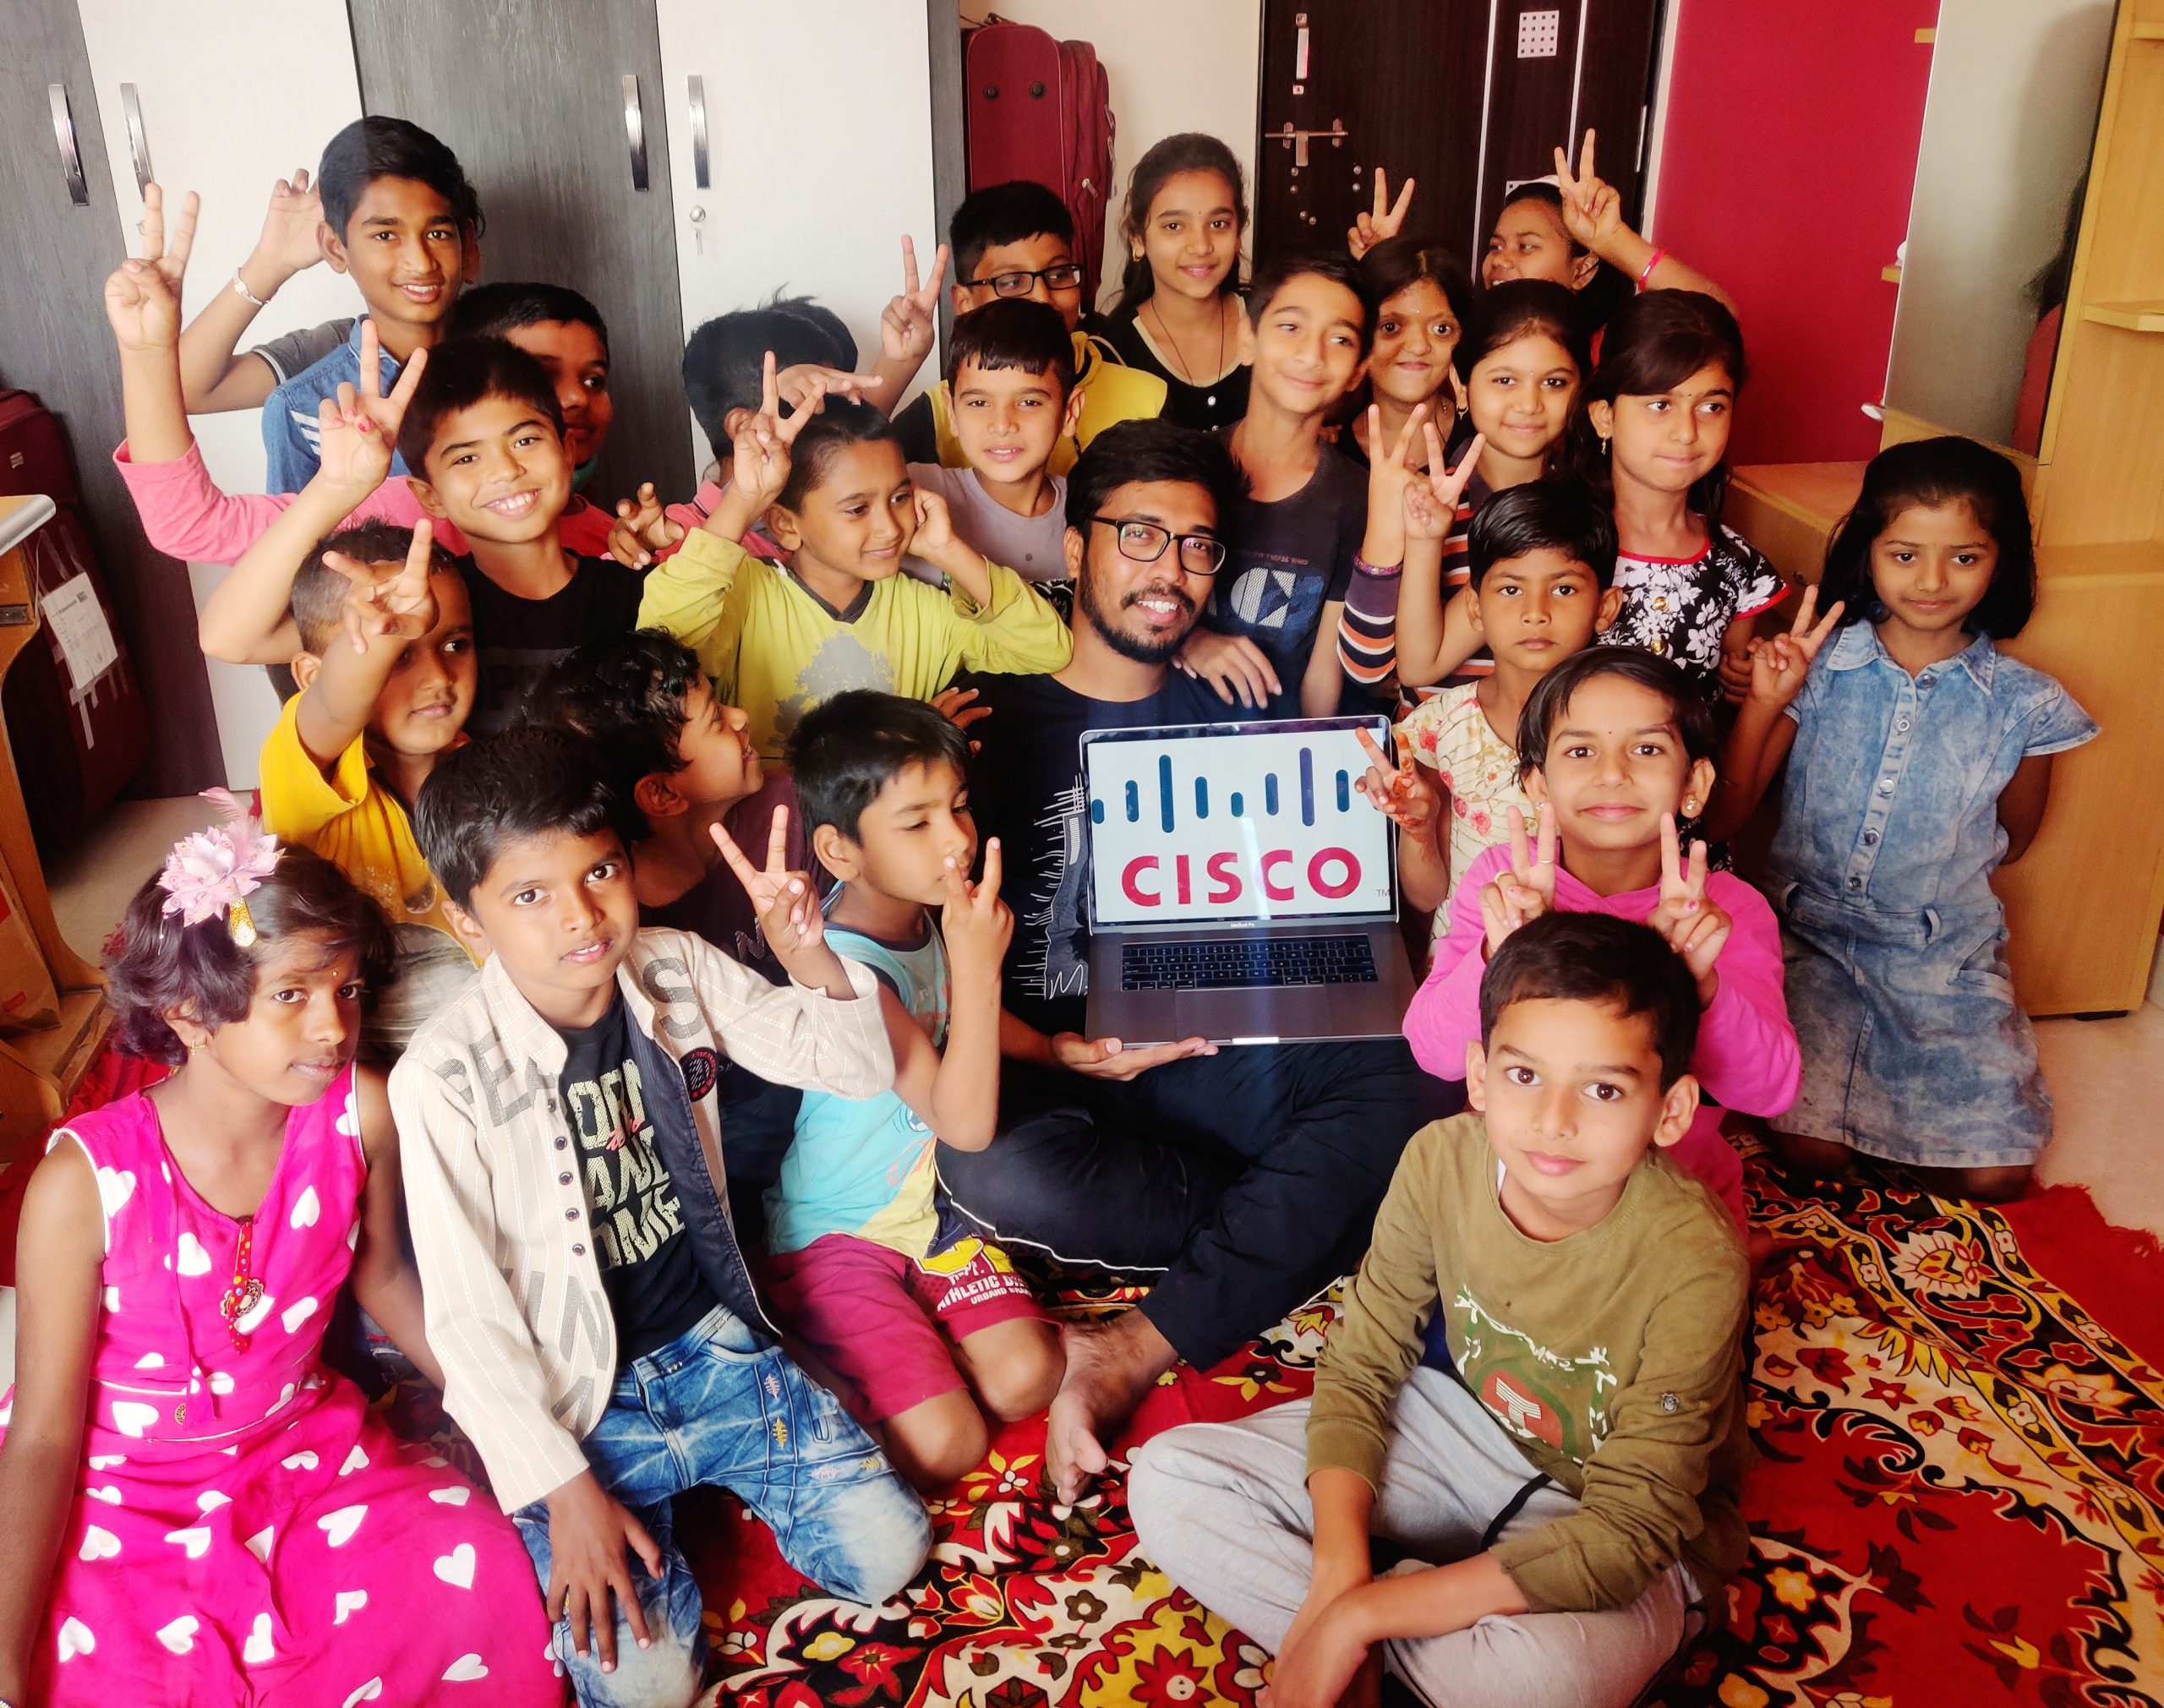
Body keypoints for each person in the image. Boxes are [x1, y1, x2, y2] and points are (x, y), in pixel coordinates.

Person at [941, 417, 1451, 1503]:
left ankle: (1141, 1337)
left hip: (1213, 1044)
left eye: (1198, 546)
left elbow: (1317, 865)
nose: (1169, 570)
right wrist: (1062, 1051)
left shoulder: (1239, 697)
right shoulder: (985, 714)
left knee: (1420, 1083)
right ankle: (1304, 1216)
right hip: (1051, 1058)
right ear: (1075, 548)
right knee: (985, 1167)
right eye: (1140, 536)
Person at [391, 726, 930, 1704]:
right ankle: (617, 1513)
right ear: (468, 922)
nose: (580, 916)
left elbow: (855, 1066)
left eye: (598, 870)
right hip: (582, 1401)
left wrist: (805, 950)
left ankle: (739, 1462)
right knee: (644, 1686)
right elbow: (466, 1317)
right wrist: (565, 1490)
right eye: (528, 895)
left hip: (716, 1346)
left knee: (894, 1554)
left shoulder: (672, 966)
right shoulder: (443, 1076)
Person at [1128, 912, 1751, 1708]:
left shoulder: (1696, 1257)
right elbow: (1362, 1360)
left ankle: (1393, 1625)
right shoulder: (1438, 1159)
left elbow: (1632, 1527)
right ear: (1481, 1076)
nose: (1554, 1120)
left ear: (1671, 1109)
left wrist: (1358, 1614)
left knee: (1534, 1686)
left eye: (1602, 1088)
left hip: (1605, 1509)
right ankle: (1414, 1620)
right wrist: (1335, 1575)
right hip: (1460, 1421)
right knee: (1172, 1479)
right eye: (1525, 1076)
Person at [0, 819, 556, 1707]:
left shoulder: (360, 1112)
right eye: (291, 994)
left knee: (477, 1564)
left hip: (302, 1450)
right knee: (121, 1669)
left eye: (349, 988)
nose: (334, 1025)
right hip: (125, 1484)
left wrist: (537, 1438)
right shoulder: (80, 1183)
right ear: (189, 1011)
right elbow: (42, 1434)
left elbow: (383, 1278)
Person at [1704, 437, 2099, 1203]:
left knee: (1997, 1173)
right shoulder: (1814, 665)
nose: (1931, 580)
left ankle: (1912, 1114)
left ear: (2001, 561)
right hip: (1808, 940)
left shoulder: (2028, 704)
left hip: (1940, 956)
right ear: (1869, 553)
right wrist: (1762, 701)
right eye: (1905, 553)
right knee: (1811, 1152)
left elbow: (2014, 840)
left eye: (1964, 557)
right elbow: (1728, 810)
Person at [763, 692, 1062, 1491]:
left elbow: (961, 1026)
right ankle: (808, 1345)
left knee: (1029, 1377)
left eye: (959, 807)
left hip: (930, 1213)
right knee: (948, 1446)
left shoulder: (924, 914)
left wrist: (1060, 1049)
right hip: (840, 1233)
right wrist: (977, 960)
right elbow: (965, 1124)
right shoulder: (851, 969)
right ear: (841, 850)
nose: (959, 839)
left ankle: (922, 1340)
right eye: (918, 821)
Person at [1413, 647, 1801, 1225]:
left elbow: (1770, 1090)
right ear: (1538, 785)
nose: (1613, 773)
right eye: (1580, 750)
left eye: (1646, 749)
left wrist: (1698, 982)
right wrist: (1502, 952)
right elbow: (1435, 1052)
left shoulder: (1724, 909)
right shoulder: (1505, 882)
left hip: (1672, 1213)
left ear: (1694, 782)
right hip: (1522, 1198)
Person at [106, 189, 620, 597]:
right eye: (529, 375)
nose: (569, 399)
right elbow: (193, 527)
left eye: (592, 380)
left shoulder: (612, 545)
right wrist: (148, 352)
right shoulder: (405, 517)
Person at [635, 362, 1071, 759]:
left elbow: (1047, 649)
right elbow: (660, 641)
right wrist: (745, 499)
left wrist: (949, 550)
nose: (889, 527)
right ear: (786, 526)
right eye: (857, 509)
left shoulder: (929, 612)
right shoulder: (746, 596)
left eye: (900, 497)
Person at [539, 629, 815, 1228]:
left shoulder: (785, 813)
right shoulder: (609, 926)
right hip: (709, 1149)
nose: (744, 718)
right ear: (661, 793)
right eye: (718, 720)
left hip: (816, 1097)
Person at [254, 516, 480, 1052]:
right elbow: (334, 706)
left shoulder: (484, 772)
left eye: (455, 645)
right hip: (359, 1060)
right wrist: (377, 643)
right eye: (398, 654)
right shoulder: (306, 768)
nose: (438, 679)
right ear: (310, 676)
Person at [1338, 280, 1588, 695]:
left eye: (1555, 382)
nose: (1529, 404)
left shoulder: (1584, 509)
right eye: (1505, 381)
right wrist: (1404, 532)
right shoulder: (1425, 497)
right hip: (1432, 752)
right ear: (1462, 384)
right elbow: (1369, 669)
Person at [1395, 483, 1623, 908]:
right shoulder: (1443, 725)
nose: (1536, 611)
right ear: (1476, 608)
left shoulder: (1626, 735)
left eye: (1564, 589)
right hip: (1469, 966)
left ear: (1605, 607)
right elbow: (1426, 899)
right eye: (1511, 589)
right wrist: (1419, 829)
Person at [1173, 251, 1374, 717]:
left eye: (1340, 339)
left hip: (1274, 748)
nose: (1311, 354)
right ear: (1248, 337)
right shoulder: (1183, 466)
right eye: (1290, 327)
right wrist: (1195, 640)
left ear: (1359, 371)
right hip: (1164, 732)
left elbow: (1325, 671)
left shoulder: (1359, 499)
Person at [1575, 291, 1785, 704]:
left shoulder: (1737, 568)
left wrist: (1756, 686)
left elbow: (1725, 715)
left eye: (1711, 407)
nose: (1687, 432)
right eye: (1660, 404)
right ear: (1605, 416)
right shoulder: (1554, 542)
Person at [256, 118, 482, 489]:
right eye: (385, 235)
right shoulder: (301, 408)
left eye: (437, 233)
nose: (421, 262)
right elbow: (294, 543)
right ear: (334, 247)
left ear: (467, 244)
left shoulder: (514, 360)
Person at [893, 178, 1167, 470]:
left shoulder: (1147, 399)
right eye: (1012, 282)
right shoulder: (936, 415)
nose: (1042, 297)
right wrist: (900, 362)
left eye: (1059, 275)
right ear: (964, 302)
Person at [902, 299, 1084, 615]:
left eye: (1029, 402)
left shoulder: (1092, 516)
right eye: (978, 403)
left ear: (1070, 412)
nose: (1002, 424)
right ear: (952, 411)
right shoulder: (916, 490)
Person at [1483, 132, 1731, 330]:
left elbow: (1719, 318)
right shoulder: (1467, 341)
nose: (1500, 259)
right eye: (1496, 246)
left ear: (1582, 271)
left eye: (1526, 246)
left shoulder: (1610, 354)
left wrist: (1614, 240)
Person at [1105, 134, 1253, 431]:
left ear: (1238, 233)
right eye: (1174, 226)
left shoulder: (1271, 321)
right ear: (1138, 239)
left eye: (1218, 224)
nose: (1200, 246)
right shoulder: (1113, 350)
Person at [1335, 236, 1476, 472]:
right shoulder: (1326, 451)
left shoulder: (1485, 441)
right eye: (1390, 327)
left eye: (1441, 329)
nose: (1419, 346)